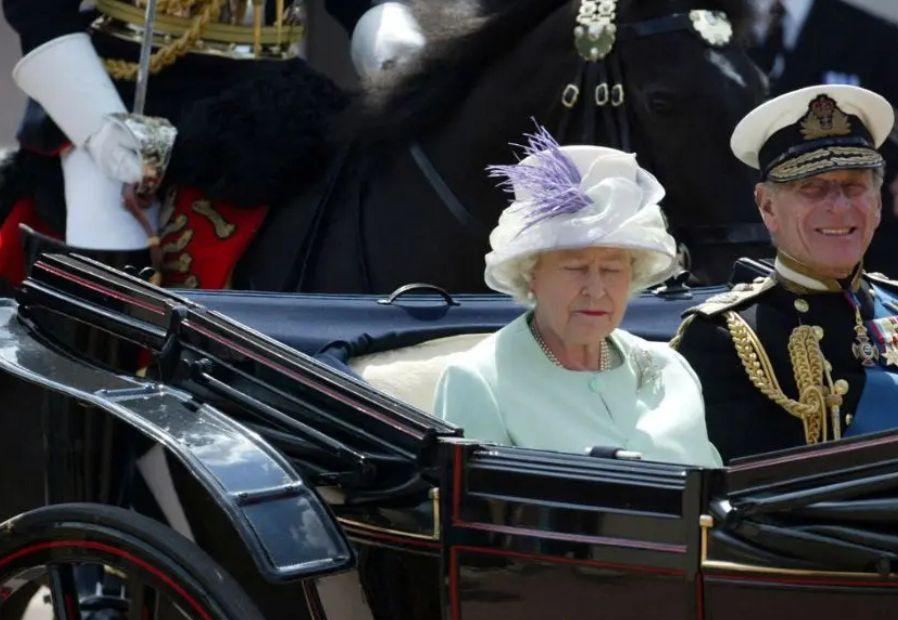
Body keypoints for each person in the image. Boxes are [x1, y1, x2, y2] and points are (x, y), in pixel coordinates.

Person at [0, 0, 421, 289]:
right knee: (105, 220)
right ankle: (93, 408)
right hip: (127, 95)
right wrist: (99, 128)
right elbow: (40, 12)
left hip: (277, 100)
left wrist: (397, 48)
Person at [672, 84, 898, 460]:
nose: (839, 206)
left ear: (877, 203)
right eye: (812, 189)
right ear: (767, 207)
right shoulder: (724, 338)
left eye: (854, 186)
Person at [432, 128, 722, 468]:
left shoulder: (671, 368)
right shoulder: (477, 380)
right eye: (575, 268)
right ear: (531, 274)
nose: (596, 289)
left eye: (612, 270)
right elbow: (476, 514)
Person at [749, 0, 898, 279]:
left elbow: (890, 175)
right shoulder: (705, 26)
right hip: (727, 271)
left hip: (844, 282)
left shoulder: (872, 36)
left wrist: (880, 300)